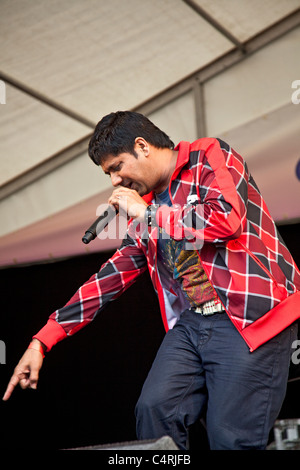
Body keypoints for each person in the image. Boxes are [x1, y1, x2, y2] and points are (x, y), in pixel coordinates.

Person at [3, 111, 300, 450]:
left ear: (142, 146)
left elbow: (227, 219)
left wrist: (148, 214)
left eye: (117, 166)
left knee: (230, 438)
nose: (114, 181)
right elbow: (111, 276)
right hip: (193, 324)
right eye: (108, 174)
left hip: (252, 316)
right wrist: (43, 340)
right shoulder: (147, 205)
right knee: (155, 410)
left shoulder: (207, 156)